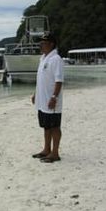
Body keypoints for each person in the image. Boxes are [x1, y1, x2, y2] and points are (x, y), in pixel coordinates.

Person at [31, 32, 64, 163]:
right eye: (40, 43)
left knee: (55, 126)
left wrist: (54, 97)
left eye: (43, 43)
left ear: (51, 44)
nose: (41, 45)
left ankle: (55, 153)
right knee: (46, 126)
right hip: (42, 100)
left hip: (51, 100)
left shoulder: (56, 59)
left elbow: (59, 80)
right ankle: (46, 149)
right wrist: (35, 93)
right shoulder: (43, 58)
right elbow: (41, 79)